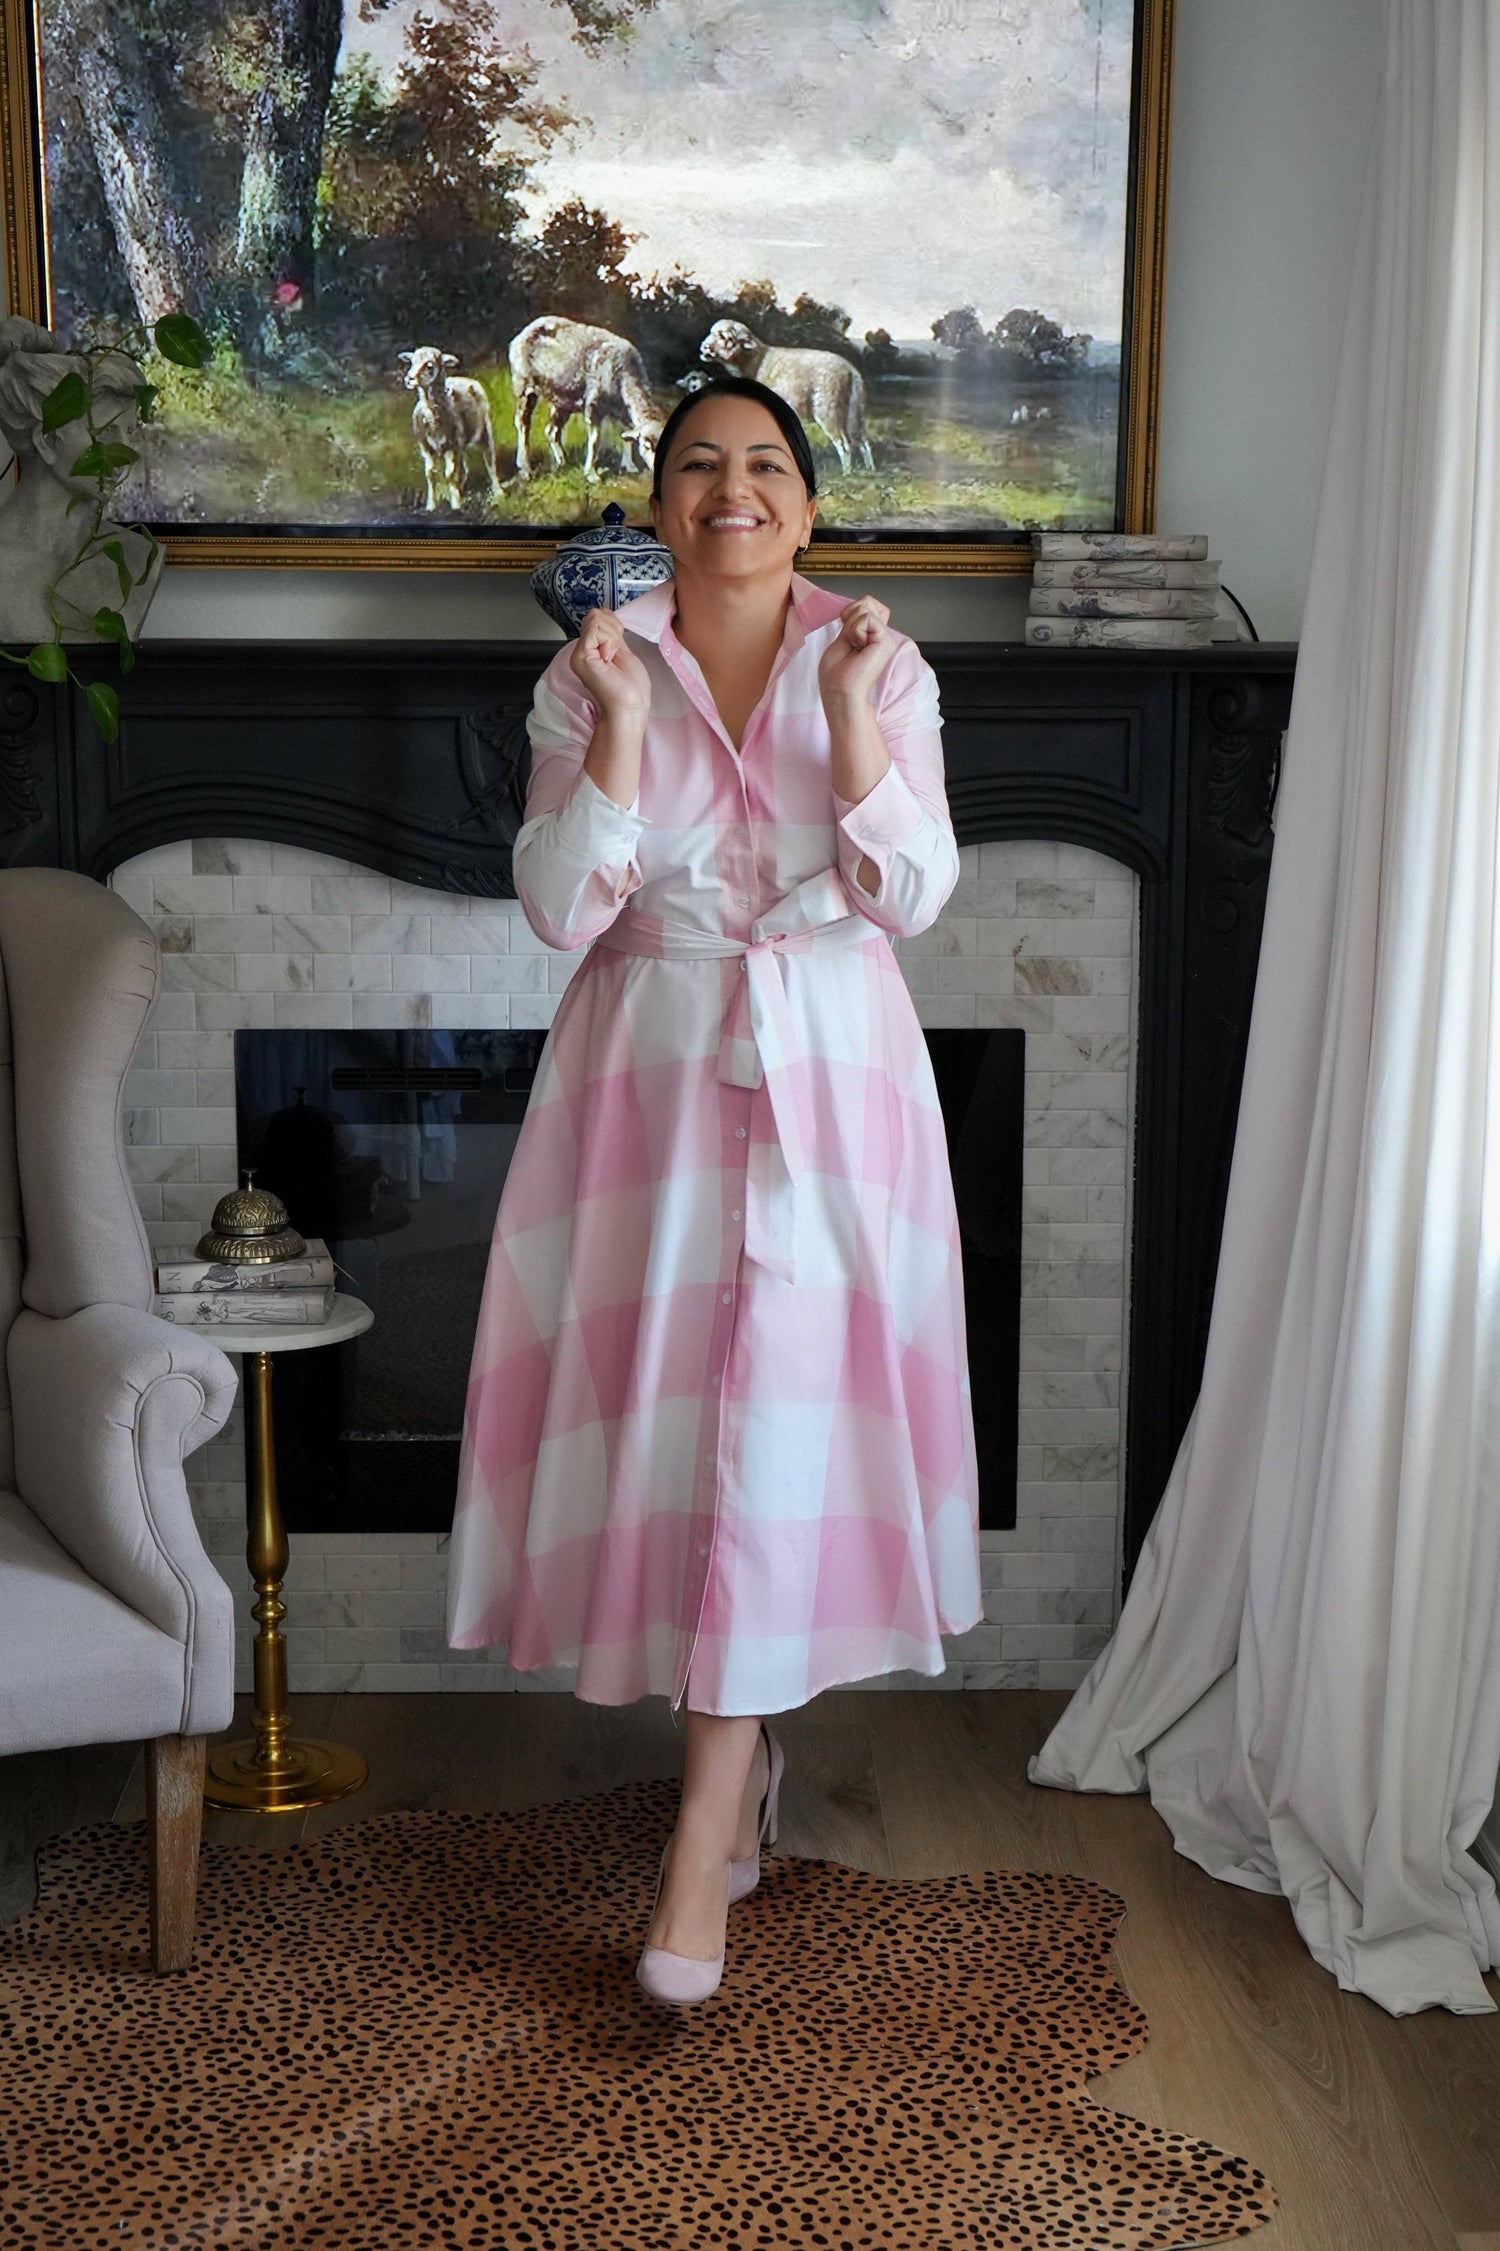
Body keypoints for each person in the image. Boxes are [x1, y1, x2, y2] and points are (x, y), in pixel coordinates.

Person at [446, 375, 982, 2008]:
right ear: (659, 500)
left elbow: (913, 893)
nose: (730, 489)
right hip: (647, 1085)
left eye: (764, 465)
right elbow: (561, 907)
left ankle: (700, 1840)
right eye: (697, 464)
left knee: (781, 1431)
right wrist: (617, 727)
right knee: (687, 1432)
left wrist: (854, 718)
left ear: (808, 506)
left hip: (834, 1075)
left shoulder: (881, 660)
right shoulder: (585, 671)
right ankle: (739, 1780)